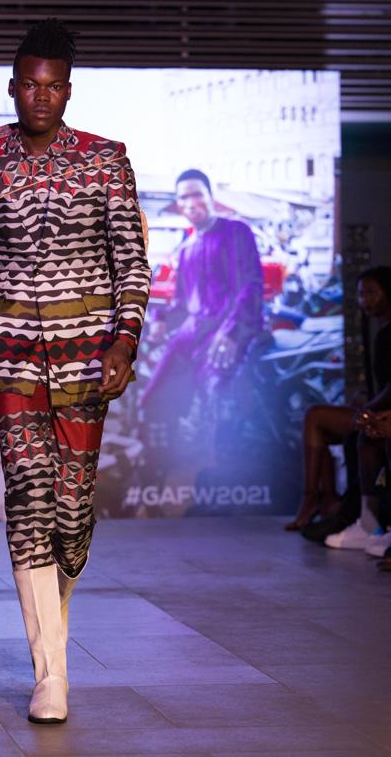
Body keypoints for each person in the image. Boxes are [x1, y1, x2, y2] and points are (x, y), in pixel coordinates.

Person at [0, 19, 150, 724]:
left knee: (71, 515)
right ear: (12, 88)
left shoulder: (105, 160)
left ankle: (52, 646)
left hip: (87, 362)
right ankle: (50, 675)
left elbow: (131, 265)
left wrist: (124, 343)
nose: (41, 97)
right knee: (28, 499)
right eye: (30, 85)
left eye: (53, 86)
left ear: (67, 91)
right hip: (10, 363)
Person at [140, 169, 264, 435]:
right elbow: (182, 305)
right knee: (156, 395)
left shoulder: (236, 232)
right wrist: (160, 320)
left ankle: (220, 456)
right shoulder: (186, 249)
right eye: (183, 197)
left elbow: (251, 286)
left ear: (210, 196)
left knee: (216, 395)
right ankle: (163, 454)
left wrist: (231, 332)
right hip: (193, 332)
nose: (190, 202)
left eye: (197, 194)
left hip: (231, 328)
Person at [285, 266, 391, 548]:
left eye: (372, 293)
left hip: (384, 413)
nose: (365, 300)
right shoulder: (378, 330)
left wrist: (370, 409)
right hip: (379, 409)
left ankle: (367, 521)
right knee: (316, 417)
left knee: (364, 434)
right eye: (361, 295)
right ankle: (322, 500)